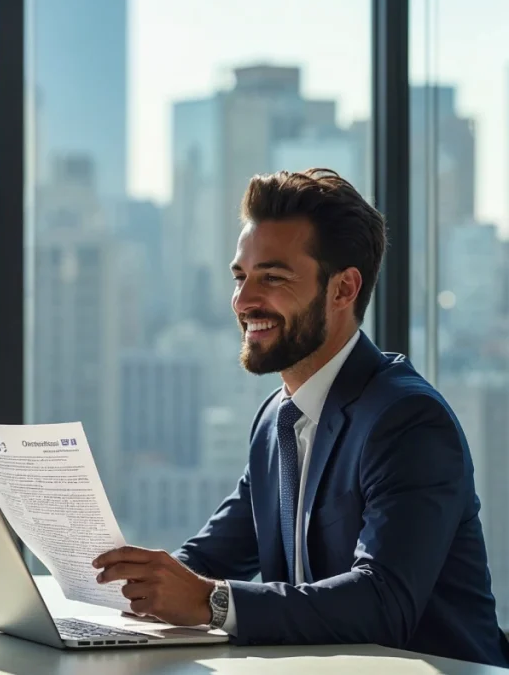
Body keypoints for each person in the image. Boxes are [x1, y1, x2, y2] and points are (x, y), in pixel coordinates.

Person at [93, 169, 509, 667]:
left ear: (343, 289)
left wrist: (210, 602)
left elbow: (383, 602)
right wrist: (130, 586)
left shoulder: (408, 421)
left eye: (272, 278)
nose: (244, 301)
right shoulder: (277, 419)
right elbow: (207, 558)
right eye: (241, 277)